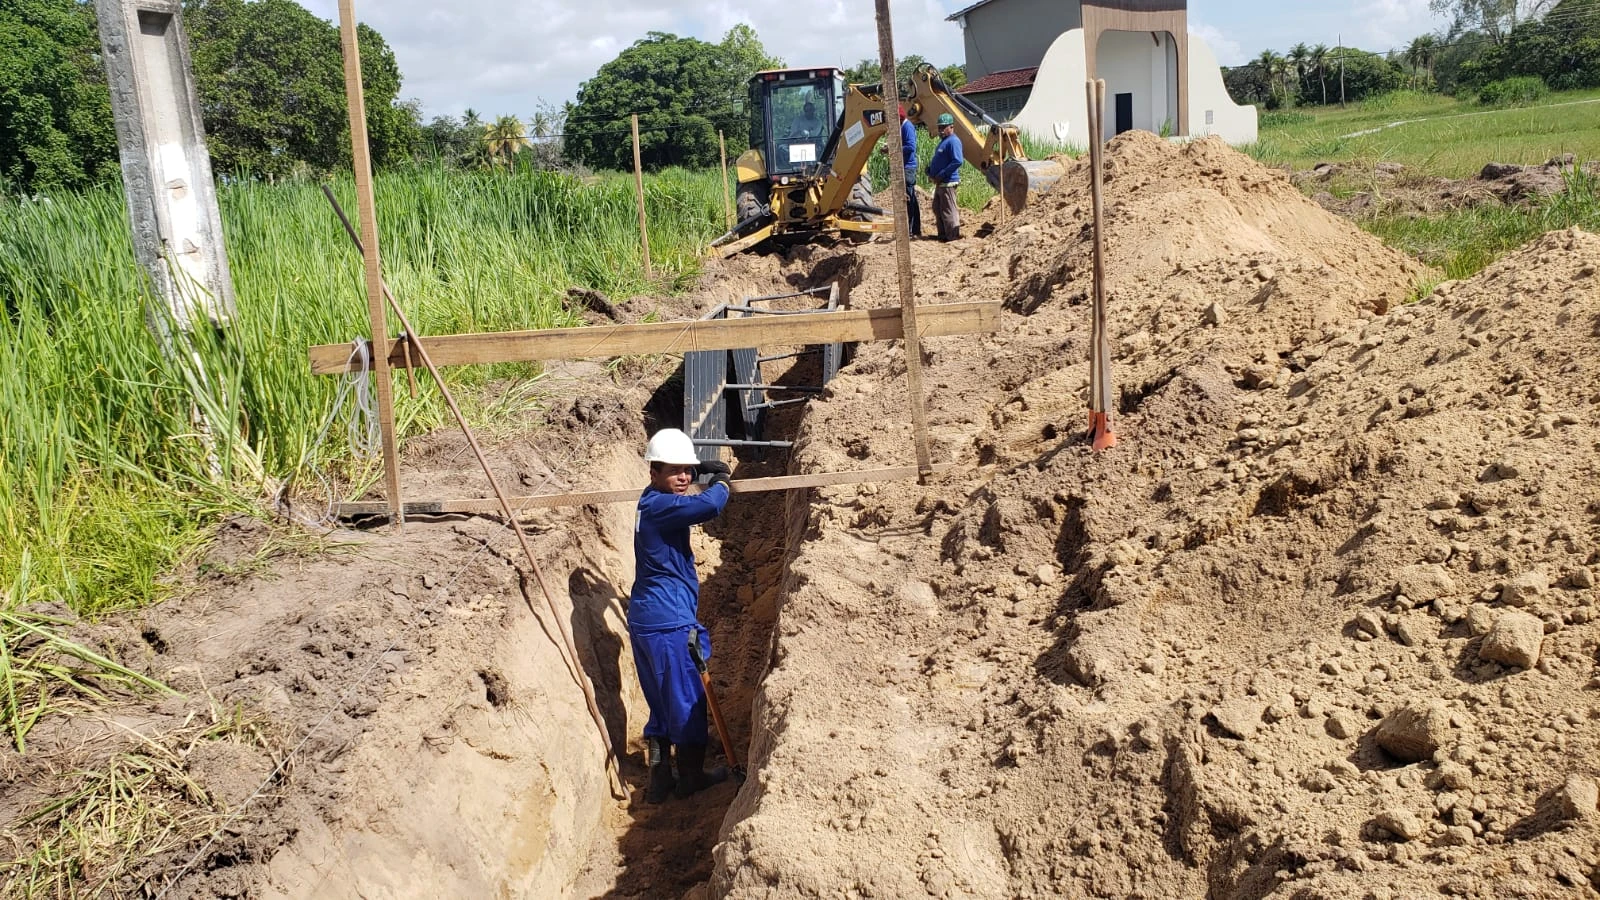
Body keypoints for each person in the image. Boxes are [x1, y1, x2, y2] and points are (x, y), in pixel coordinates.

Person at [628, 428, 732, 803]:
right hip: (670, 621)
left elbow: (684, 491)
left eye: (688, 470)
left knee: (659, 697)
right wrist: (720, 478)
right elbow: (710, 506)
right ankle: (689, 778)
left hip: (645, 620)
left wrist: (694, 466)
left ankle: (659, 783)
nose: (685, 478)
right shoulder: (663, 506)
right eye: (675, 471)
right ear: (653, 471)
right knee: (687, 698)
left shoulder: (648, 498)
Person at [926, 112, 964, 242]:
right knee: (937, 208)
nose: (941, 130)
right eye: (939, 128)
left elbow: (957, 161)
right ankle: (942, 235)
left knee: (948, 210)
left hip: (947, 182)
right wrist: (931, 171)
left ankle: (952, 236)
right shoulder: (944, 142)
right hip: (940, 183)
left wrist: (942, 174)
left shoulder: (953, 141)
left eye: (944, 127)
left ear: (951, 127)